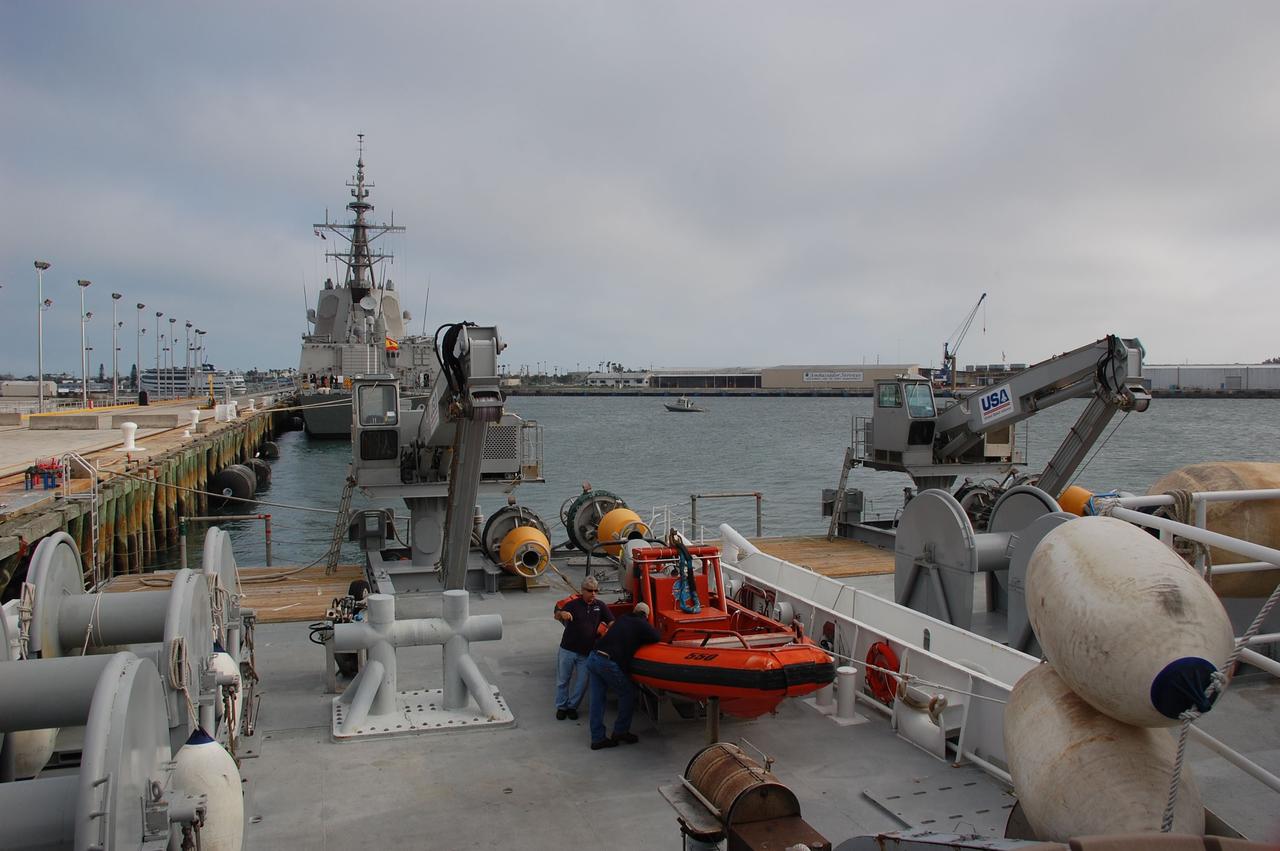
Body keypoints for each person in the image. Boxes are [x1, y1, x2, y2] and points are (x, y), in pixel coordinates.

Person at [586, 601, 660, 750]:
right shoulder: (641, 623)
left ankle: (597, 738)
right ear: (645, 615)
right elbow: (656, 636)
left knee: (597, 700)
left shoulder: (623, 618)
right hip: (607, 662)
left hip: (593, 657)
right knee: (627, 693)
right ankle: (620, 731)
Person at [553, 576, 613, 721]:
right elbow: (556, 615)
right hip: (567, 649)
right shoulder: (573, 604)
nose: (593, 593)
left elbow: (611, 620)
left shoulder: (600, 606)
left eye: (595, 591)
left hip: (586, 653)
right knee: (563, 680)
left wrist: (612, 629)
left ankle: (572, 706)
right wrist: (562, 614)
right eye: (590, 590)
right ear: (582, 591)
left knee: (582, 683)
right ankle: (561, 707)